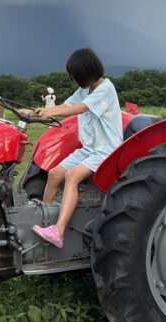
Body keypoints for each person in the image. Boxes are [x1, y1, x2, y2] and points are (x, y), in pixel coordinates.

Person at [31, 48, 122, 248]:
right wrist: (37, 112)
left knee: (72, 176)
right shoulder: (84, 90)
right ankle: (45, 220)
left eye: (74, 76)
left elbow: (80, 108)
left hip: (107, 151)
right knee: (55, 173)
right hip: (89, 149)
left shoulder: (105, 89)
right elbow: (65, 105)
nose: (73, 80)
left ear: (85, 73)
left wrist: (54, 111)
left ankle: (59, 233)